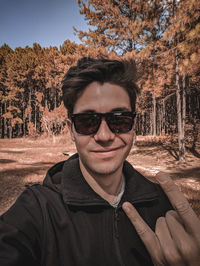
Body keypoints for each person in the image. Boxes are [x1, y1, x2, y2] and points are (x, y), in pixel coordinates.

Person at [0, 57, 199, 266]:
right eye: (87, 122)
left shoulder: (164, 207)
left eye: (119, 119)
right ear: (71, 130)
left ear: (133, 125)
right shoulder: (36, 211)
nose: (104, 135)